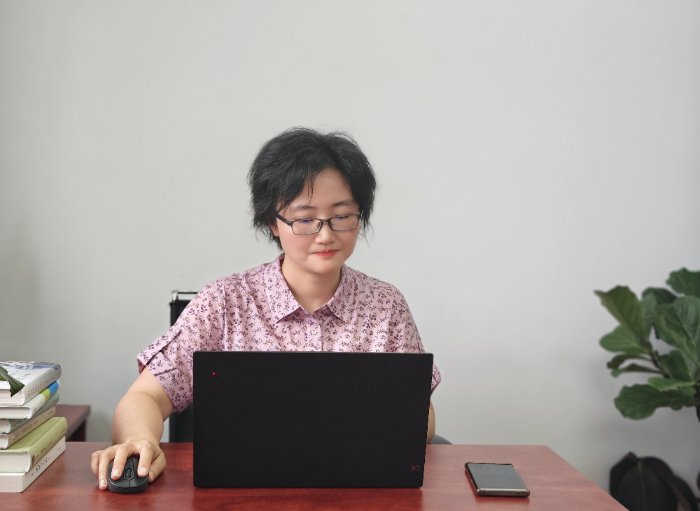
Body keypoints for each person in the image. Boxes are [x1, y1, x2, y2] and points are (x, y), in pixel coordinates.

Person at [91, 127, 441, 490]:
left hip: (356, 491)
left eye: (342, 216)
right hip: (241, 493)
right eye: (304, 218)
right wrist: (140, 440)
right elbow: (144, 397)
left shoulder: (386, 305)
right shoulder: (223, 303)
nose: (325, 235)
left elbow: (422, 415)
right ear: (273, 222)